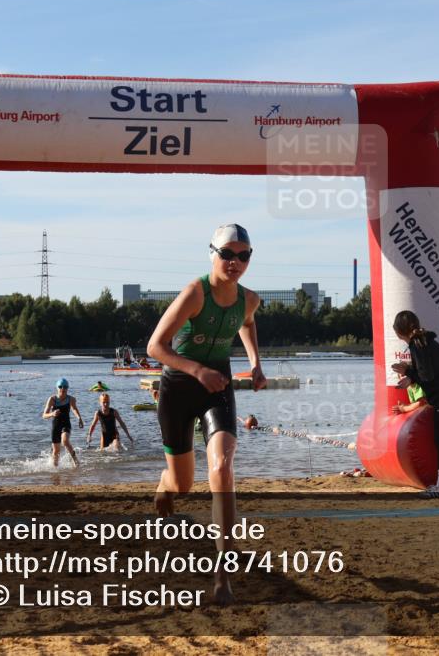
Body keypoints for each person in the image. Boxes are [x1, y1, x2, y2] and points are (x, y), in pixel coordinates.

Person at [147, 223, 266, 605]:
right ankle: (164, 487)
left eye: (243, 255)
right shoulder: (194, 293)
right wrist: (196, 370)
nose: (234, 262)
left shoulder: (250, 299)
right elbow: (154, 347)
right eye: (227, 254)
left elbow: (246, 324)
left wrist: (255, 363)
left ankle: (223, 574)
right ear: (211, 253)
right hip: (179, 389)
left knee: (222, 468)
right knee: (183, 485)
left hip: (219, 388)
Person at [390, 310, 439, 497]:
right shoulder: (426, 341)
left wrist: (409, 373)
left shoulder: (418, 345)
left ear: (398, 331)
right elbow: (429, 371)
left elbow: (427, 376)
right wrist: (410, 373)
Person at [42, 378, 83, 467]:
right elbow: (44, 415)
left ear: (67, 388)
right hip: (56, 426)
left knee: (65, 441)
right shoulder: (52, 399)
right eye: (60, 387)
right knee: (56, 451)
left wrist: (79, 418)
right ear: (57, 388)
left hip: (66, 424)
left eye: (65, 387)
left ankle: (75, 460)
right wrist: (52, 414)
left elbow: (74, 409)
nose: (62, 389)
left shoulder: (71, 399)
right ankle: (55, 471)